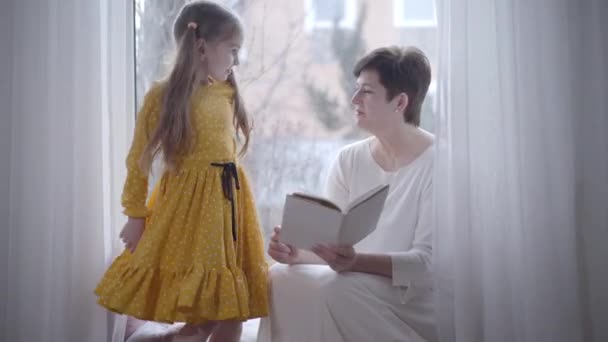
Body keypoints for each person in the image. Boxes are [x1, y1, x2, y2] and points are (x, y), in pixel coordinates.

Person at [95, 2, 269, 341]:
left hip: (228, 209)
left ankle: (178, 337)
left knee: (230, 309)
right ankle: (177, 337)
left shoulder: (227, 92)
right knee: (215, 310)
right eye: (232, 50)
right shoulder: (163, 96)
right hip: (189, 215)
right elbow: (138, 160)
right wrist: (135, 215)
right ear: (202, 47)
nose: (236, 60)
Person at [258, 46, 438, 342]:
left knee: (336, 289)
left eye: (366, 92)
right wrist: (296, 253)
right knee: (279, 276)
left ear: (400, 102)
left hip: (410, 297)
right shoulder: (349, 159)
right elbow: (334, 250)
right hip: (353, 278)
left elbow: (426, 265)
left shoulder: (438, 162)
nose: (354, 100)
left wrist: (354, 263)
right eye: (356, 90)